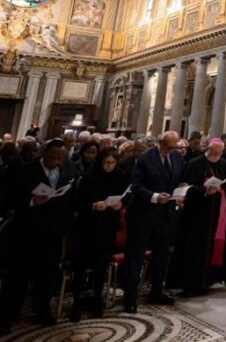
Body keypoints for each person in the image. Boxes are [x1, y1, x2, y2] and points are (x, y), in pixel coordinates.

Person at [0, 139, 75, 334]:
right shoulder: (26, 171)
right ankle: (7, 315)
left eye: (60, 159)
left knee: (47, 275)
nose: (55, 162)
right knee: (18, 277)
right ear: (44, 154)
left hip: (53, 232)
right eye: (52, 157)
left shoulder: (66, 172)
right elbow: (9, 198)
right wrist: (32, 201)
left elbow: (69, 200)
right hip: (27, 232)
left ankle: (42, 310)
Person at [122, 131, 185, 313]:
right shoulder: (145, 159)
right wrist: (155, 196)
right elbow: (136, 185)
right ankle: (130, 297)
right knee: (136, 256)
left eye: (174, 147)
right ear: (160, 142)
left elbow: (178, 180)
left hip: (165, 215)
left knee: (161, 255)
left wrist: (181, 190)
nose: (172, 150)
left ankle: (157, 291)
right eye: (169, 147)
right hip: (143, 215)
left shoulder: (177, 158)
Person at [69, 147, 129, 322]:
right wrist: (92, 206)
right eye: (106, 162)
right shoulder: (89, 177)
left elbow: (124, 197)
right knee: (81, 267)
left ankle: (97, 298)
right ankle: (77, 303)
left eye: (112, 163)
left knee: (101, 266)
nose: (109, 166)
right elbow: (77, 202)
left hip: (107, 227)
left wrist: (120, 205)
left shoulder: (120, 176)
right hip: (87, 227)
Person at [168, 138, 226, 296]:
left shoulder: (223, 164)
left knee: (211, 246)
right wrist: (203, 190)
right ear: (207, 149)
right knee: (194, 248)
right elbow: (185, 189)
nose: (216, 155)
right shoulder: (194, 163)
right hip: (196, 214)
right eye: (213, 152)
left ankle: (208, 280)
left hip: (215, 211)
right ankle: (191, 283)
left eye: (219, 152)